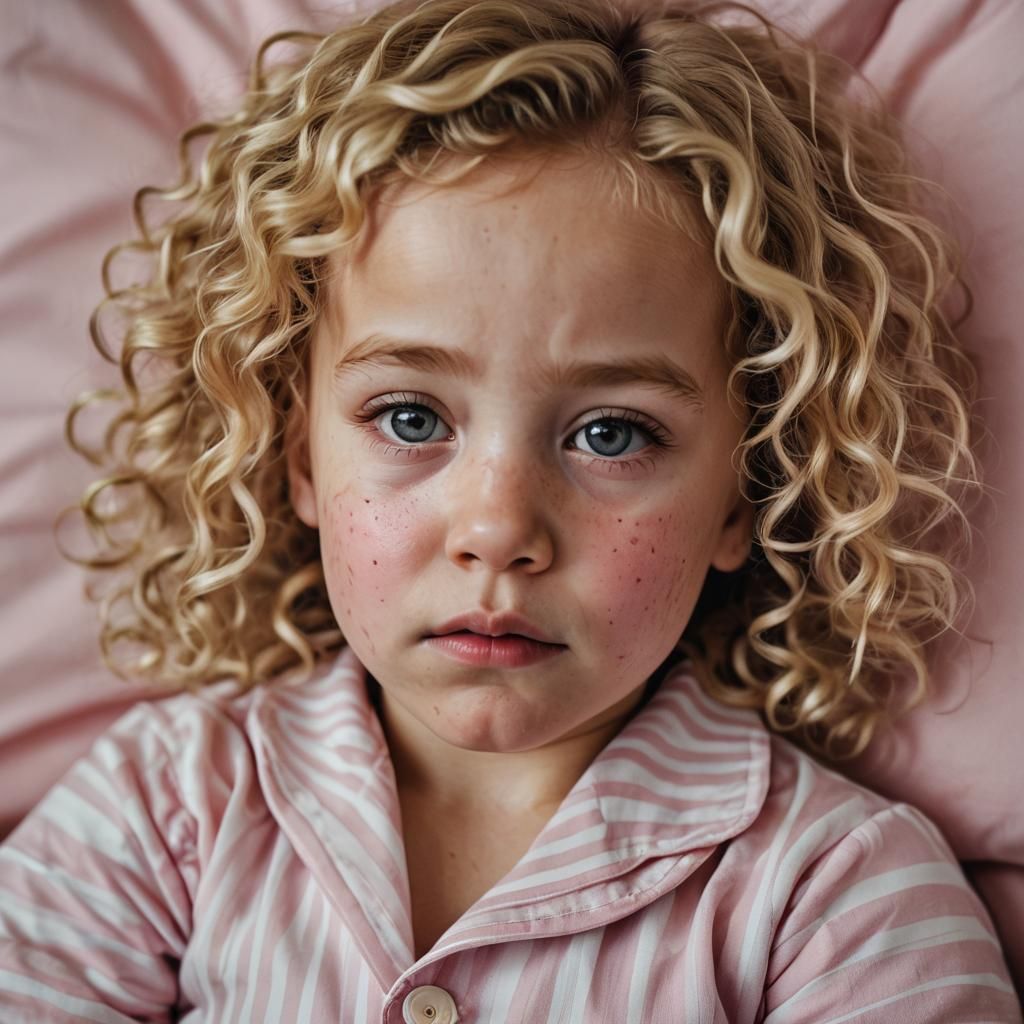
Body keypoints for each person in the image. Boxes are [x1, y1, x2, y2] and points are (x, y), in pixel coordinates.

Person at [0, 0, 1019, 1019]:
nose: (496, 528)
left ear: (745, 487)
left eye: (611, 434)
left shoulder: (837, 894)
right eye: (408, 416)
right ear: (295, 448)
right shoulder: (170, 803)